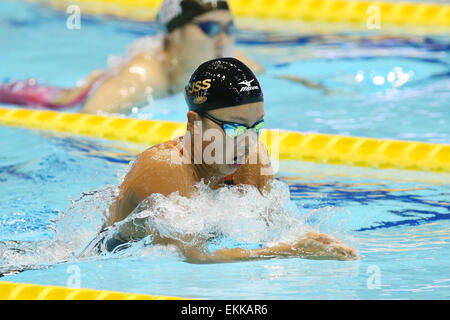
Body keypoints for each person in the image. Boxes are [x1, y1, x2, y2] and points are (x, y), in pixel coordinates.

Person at [92, 57, 358, 263]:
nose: (248, 143)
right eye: (234, 129)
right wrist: (290, 251)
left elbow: (272, 229)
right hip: (111, 262)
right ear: (194, 123)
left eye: (256, 128)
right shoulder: (165, 167)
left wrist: (308, 240)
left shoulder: (252, 162)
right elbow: (194, 256)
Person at [0, 0, 262, 114]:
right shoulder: (143, 76)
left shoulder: (234, 60)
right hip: (63, 101)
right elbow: (91, 119)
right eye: (210, 28)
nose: (223, 39)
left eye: (229, 28)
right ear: (175, 35)